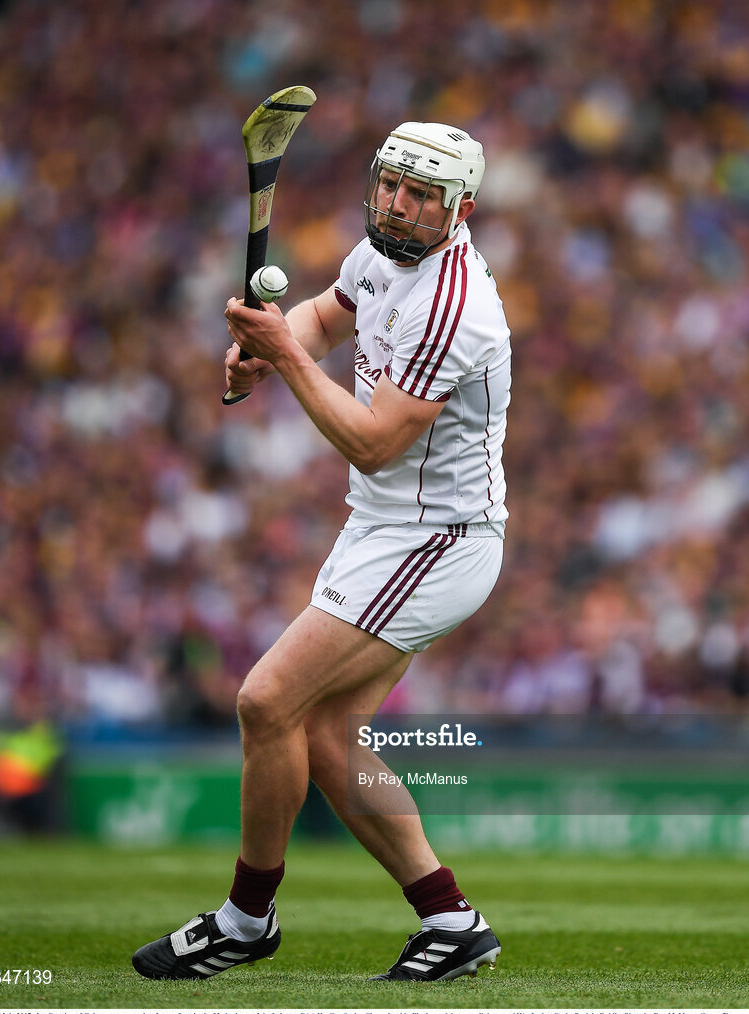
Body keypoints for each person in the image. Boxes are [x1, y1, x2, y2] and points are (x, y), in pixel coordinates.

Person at [132, 121, 511, 983]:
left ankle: (244, 919)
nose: (399, 205)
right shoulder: (384, 251)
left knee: (265, 702)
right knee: (328, 734)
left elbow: (374, 443)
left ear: (460, 210)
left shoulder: (451, 306)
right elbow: (321, 315)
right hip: (383, 529)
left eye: (422, 196)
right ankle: (449, 919)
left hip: (433, 539)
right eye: (391, 185)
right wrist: (271, 348)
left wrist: (284, 362)